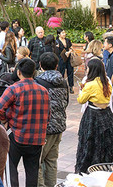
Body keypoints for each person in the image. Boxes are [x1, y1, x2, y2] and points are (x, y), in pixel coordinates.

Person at [0, 58, 49, 187]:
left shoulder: (13, 89)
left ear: (19, 72)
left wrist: (4, 121)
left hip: (17, 135)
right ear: (34, 72)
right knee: (32, 172)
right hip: (37, 138)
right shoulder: (44, 91)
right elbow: (48, 116)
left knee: (11, 168)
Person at [74, 58, 113, 174]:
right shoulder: (107, 82)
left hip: (92, 116)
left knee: (89, 143)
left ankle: (87, 169)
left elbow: (81, 100)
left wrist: (81, 91)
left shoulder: (90, 84)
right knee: (104, 143)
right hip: (107, 115)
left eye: (87, 68)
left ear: (92, 69)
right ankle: (102, 168)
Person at [34, 52, 68, 187]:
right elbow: (66, 102)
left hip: (44, 128)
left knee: (37, 162)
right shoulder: (63, 82)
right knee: (52, 161)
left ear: (40, 65)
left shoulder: (38, 82)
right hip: (59, 126)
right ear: (56, 65)